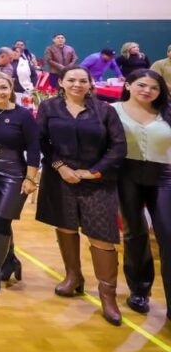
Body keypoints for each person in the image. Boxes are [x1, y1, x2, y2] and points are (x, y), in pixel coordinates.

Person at [36, 65, 127, 326]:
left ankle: (107, 297)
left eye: (82, 80)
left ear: (90, 83)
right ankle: (73, 277)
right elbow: (42, 142)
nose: (77, 84)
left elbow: (118, 146)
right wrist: (60, 167)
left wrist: (94, 172)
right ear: (61, 83)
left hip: (97, 180)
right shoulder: (49, 108)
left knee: (102, 237)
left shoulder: (105, 110)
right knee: (65, 227)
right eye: (71, 80)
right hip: (60, 178)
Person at [114, 69, 171, 318]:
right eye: (141, 85)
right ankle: (139, 290)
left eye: (154, 87)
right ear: (128, 85)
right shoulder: (112, 111)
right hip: (126, 175)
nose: (147, 90)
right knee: (134, 234)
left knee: (168, 236)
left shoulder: (167, 112)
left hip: (164, 176)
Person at [0, 72, 40, 295]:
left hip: (13, 173)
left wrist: (30, 178)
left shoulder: (23, 115)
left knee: (2, 219)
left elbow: (34, 148)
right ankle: (10, 260)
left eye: (3, 87)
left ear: (11, 88)